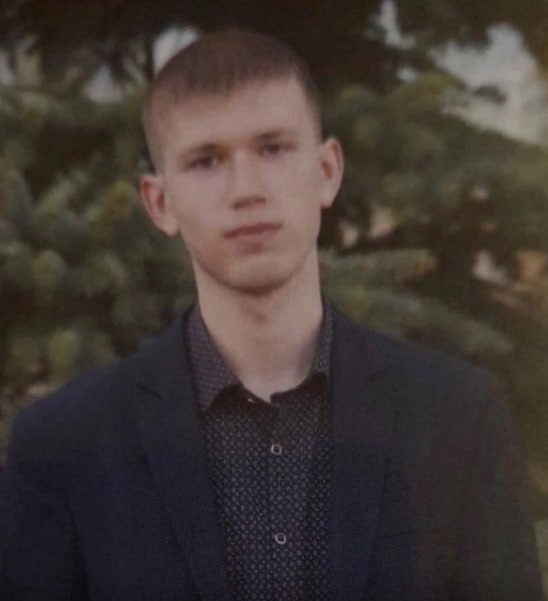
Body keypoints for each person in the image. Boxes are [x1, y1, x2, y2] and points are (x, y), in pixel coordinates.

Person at [0, 29, 543, 601]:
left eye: (273, 149)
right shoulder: (64, 447)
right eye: (206, 161)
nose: (247, 189)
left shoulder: (457, 416)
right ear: (160, 203)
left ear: (327, 170)